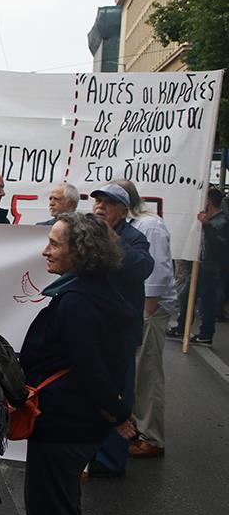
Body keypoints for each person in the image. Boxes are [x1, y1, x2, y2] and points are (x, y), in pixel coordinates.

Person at [18, 213, 137, 515]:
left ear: (80, 251)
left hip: (64, 424)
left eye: (54, 243)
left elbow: (91, 369)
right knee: (56, 503)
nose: (45, 251)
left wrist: (117, 413)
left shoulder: (77, 301)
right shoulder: (95, 290)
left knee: (53, 506)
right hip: (74, 421)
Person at [87, 183, 153, 478]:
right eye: (98, 201)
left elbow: (141, 268)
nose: (100, 207)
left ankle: (111, 460)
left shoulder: (134, 238)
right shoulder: (87, 233)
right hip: (90, 328)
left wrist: (112, 239)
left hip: (119, 333)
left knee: (116, 394)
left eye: (109, 203)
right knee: (91, 389)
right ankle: (88, 451)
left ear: (124, 211)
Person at [116, 180, 176, 459]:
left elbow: (158, 272)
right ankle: (137, 429)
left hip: (150, 309)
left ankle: (152, 437)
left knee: (147, 374)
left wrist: (146, 310)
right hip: (140, 309)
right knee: (135, 374)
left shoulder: (149, 225)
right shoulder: (135, 225)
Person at [168, 187, 229, 345]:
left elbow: (219, 244)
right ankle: (199, 331)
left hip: (211, 267)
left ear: (208, 201)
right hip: (206, 265)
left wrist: (206, 225)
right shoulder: (214, 220)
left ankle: (188, 328)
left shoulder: (221, 221)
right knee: (203, 301)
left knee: (191, 297)